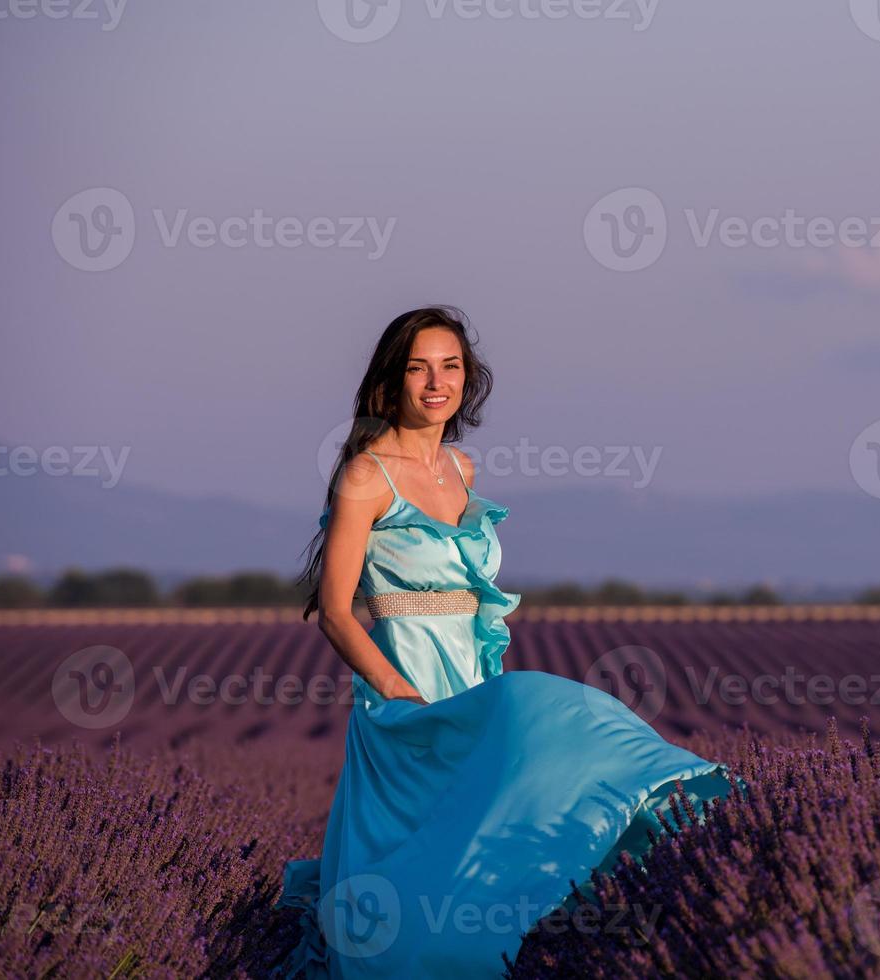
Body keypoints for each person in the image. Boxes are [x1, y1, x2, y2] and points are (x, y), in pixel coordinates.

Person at [275, 306, 739, 977]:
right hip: (404, 695)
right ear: (391, 378)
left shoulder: (460, 469)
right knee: (528, 726)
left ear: (469, 377)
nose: (437, 382)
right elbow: (335, 610)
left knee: (489, 844)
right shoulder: (367, 475)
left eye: (451, 366)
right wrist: (398, 692)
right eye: (418, 367)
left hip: (470, 683)